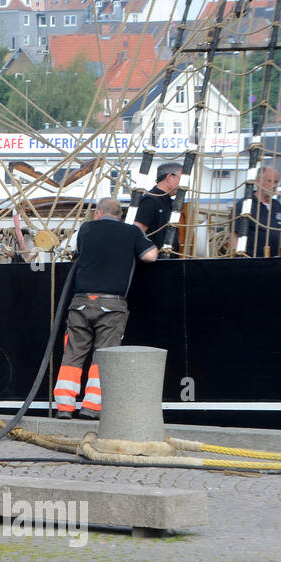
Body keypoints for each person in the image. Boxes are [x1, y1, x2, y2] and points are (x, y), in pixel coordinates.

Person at [52, 197, 158, 419]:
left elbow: (72, 250)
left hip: (80, 302)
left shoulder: (86, 229)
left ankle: (64, 406)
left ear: (98, 213)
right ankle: (91, 408)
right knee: (104, 356)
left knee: (72, 354)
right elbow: (149, 256)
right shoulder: (131, 232)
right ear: (120, 215)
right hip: (111, 304)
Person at [230, 166, 281, 257]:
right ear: (258, 182)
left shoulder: (277, 206)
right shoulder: (244, 205)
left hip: (275, 262)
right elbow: (234, 235)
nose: (274, 185)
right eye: (270, 181)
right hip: (252, 262)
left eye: (276, 182)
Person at [133, 162, 182, 254]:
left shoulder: (169, 202)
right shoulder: (150, 200)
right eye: (181, 179)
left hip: (169, 261)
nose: (184, 184)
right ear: (170, 177)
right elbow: (137, 232)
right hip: (155, 262)